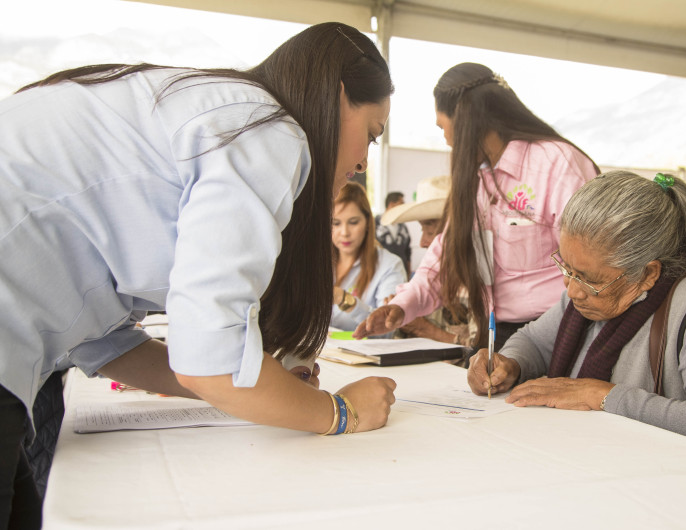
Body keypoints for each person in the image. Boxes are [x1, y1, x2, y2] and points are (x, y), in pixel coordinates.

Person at [0, 22, 397, 529]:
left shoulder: (206, 108)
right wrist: (339, 412)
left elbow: (105, 344)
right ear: (340, 93)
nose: (363, 162)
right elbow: (209, 365)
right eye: (372, 133)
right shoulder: (267, 130)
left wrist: (259, 384)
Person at [467, 171, 686, 458]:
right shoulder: (585, 292)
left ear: (647, 274)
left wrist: (601, 395)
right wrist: (509, 363)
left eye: (589, 279)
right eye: (567, 268)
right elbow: (533, 341)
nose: (572, 291)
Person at [354, 62, 599, 352]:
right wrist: (401, 306)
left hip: (562, 332)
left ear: (464, 118)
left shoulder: (556, 164)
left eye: (443, 127)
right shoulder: (475, 181)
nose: (446, 140)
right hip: (499, 334)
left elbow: (595, 263)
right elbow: (441, 262)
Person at [381, 175, 476, 347]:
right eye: (422, 230)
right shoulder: (424, 281)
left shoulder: (480, 282)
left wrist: (423, 328)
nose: (422, 242)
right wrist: (399, 313)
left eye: (431, 232)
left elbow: (483, 351)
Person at [332, 182, 406, 332]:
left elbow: (387, 330)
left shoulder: (390, 265)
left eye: (353, 222)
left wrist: (344, 300)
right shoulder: (316, 264)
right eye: (336, 223)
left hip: (362, 353)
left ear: (367, 222)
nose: (344, 232)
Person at [375, 191, 412, 275]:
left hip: (400, 272)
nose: (404, 207)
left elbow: (408, 251)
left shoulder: (403, 227)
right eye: (401, 203)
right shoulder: (375, 224)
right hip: (379, 272)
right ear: (391, 204)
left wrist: (408, 272)